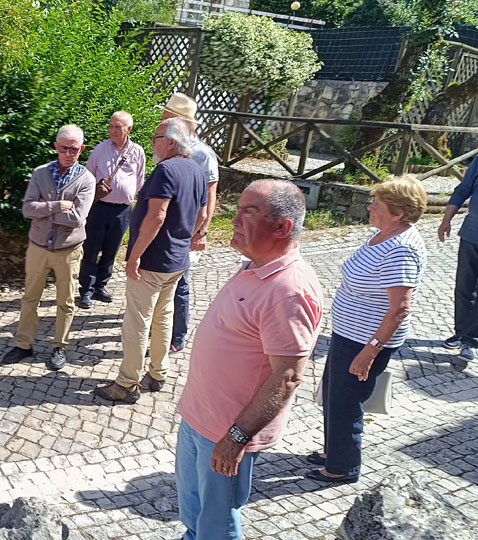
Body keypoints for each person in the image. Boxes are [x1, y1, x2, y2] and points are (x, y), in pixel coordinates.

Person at [173, 179, 323, 540]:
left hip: (227, 431)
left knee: (217, 523)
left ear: (282, 227)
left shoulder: (289, 290)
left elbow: (287, 377)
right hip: (199, 418)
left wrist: (236, 437)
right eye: (238, 210)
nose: (234, 220)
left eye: (249, 212)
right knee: (194, 512)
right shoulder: (255, 266)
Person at [308, 178, 427, 484]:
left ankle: (342, 467)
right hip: (349, 333)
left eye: (378, 204)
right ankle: (334, 451)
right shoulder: (382, 234)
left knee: (346, 402)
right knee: (334, 395)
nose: (370, 207)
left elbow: (399, 309)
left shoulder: (401, 250)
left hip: (365, 341)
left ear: (398, 213)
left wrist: (370, 350)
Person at [94, 118, 207, 403]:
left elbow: (156, 216)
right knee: (163, 317)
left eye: (156, 138)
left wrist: (135, 255)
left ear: (170, 142)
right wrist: (183, 240)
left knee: (137, 322)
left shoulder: (166, 170)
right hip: (177, 261)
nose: (152, 143)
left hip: (153, 261)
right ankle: (158, 373)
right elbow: (203, 215)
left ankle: (126, 384)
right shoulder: (196, 169)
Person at [1, 125, 95, 371]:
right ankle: (24, 344)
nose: (68, 153)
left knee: (66, 301)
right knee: (30, 297)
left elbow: (77, 218)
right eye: (64, 148)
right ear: (56, 147)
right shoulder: (40, 173)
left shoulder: (87, 179)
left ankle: (59, 346)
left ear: (82, 149)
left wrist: (43, 208)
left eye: (74, 149)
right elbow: (27, 209)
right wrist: (57, 206)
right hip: (38, 247)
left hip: (69, 249)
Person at [161, 93, 220, 353]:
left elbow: (210, 193)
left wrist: (202, 232)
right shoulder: (167, 142)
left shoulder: (202, 154)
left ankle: (177, 336)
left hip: (186, 228)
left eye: (166, 117)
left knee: (180, 282)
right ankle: (159, 328)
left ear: (181, 122)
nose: (162, 121)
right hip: (164, 226)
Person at [77, 111, 146, 310]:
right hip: (100, 207)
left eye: (118, 127)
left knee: (111, 250)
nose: (112, 130)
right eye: (111, 126)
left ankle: (101, 286)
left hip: (123, 210)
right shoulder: (100, 150)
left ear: (129, 129)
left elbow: (139, 180)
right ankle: (86, 290)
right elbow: (88, 177)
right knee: (91, 249)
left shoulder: (137, 152)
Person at [438, 151, 478, 370]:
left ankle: (471, 340)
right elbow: (463, 190)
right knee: (464, 288)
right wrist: (446, 220)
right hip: (471, 235)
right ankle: (461, 332)